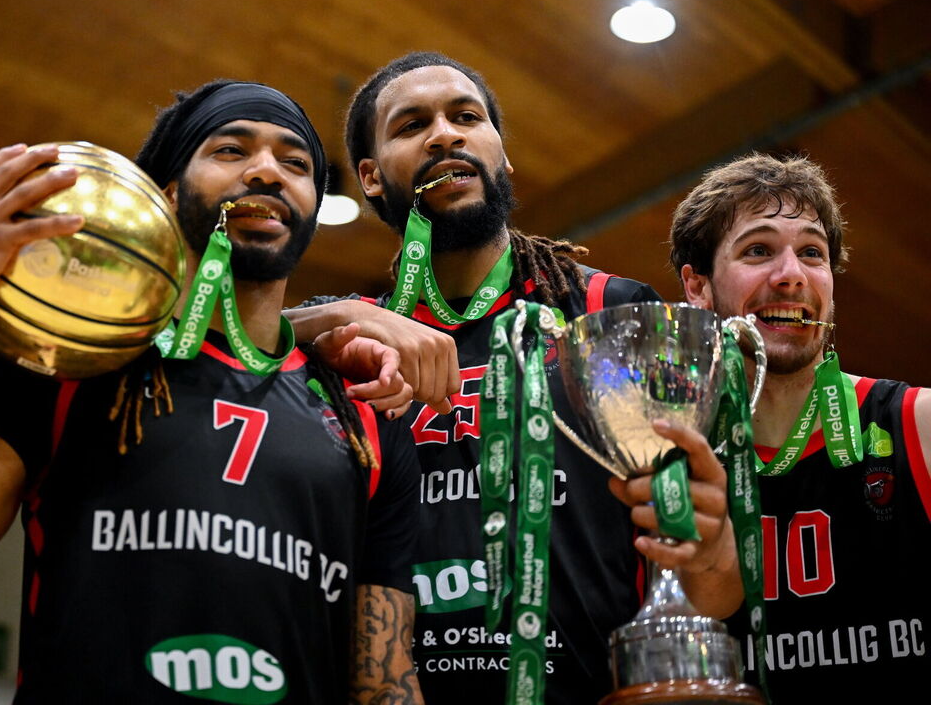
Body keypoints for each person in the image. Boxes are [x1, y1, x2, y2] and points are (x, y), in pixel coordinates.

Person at [0, 79, 425, 702]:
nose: (267, 171)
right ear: (164, 193)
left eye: (295, 163)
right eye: (231, 150)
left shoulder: (367, 413)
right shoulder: (68, 355)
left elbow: (383, 679)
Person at [287, 51, 744, 704]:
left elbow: (708, 576)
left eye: (466, 116)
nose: (445, 133)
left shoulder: (609, 313)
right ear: (370, 177)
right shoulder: (347, 342)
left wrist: (714, 549)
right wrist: (326, 312)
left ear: (503, 157)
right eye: (412, 125)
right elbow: (207, 340)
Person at [670, 152, 931, 701]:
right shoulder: (669, 457)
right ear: (697, 288)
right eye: (758, 250)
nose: (791, 275)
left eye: (812, 253)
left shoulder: (917, 425)